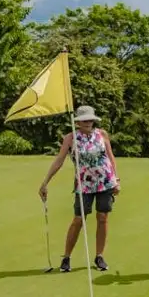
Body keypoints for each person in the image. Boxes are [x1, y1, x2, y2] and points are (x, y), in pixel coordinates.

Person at [39, 105, 120, 273]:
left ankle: (99, 256)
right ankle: (67, 257)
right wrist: (45, 182)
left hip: (105, 182)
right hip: (84, 184)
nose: (88, 122)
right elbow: (59, 160)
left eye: (90, 119)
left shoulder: (102, 134)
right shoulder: (71, 138)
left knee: (103, 217)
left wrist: (116, 180)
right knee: (78, 220)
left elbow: (111, 158)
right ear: (78, 122)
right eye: (84, 120)